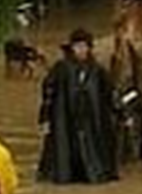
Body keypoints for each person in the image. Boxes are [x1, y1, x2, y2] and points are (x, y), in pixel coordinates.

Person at [38, 28, 120, 183]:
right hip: (66, 119)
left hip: (91, 120)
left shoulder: (98, 70)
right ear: (72, 48)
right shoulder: (61, 68)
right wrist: (45, 118)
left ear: (89, 48)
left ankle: (95, 175)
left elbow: (110, 94)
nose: (81, 50)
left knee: (91, 152)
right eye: (77, 46)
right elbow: (48, 93)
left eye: (84, 46)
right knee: (67, 151)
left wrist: (121, 112)